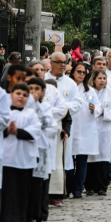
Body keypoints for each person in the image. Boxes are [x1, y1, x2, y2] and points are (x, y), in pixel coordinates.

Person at [1, 83, 41, 221]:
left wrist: (17, 131)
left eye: (25, 95)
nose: (21, 97)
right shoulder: (5, 112)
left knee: (23, 192)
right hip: (7, 159)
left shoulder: (31, 114)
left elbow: (36, 132)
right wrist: (6, 130)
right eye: (18, 93)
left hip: (25, 160)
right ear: (11, 94)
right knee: (7, 191)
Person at [45, 52, 80, 206]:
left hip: (60, 125)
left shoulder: (70, 83)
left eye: (64, 62)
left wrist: (63, 108)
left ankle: (56, 193)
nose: (62, 65)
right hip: (42, 125)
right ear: (50, 62)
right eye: (58, 62)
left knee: (58, 160)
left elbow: (77, 102)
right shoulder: (43, 79)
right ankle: (42, 193)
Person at [27, 77, 57, 222]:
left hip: (41, 150)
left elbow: (51, 128)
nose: (33, 92)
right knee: (28, 185)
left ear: (43, 92)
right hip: (25, 151)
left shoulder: (45, 107)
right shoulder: (22, 106)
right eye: (30, 89)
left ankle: (40, 214)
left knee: (40, 184)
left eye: (37, 89)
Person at [87, 70, 111, 196]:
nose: (102, 80)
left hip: (106, 129)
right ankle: (89, 186)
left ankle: (102, 186)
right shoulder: (89, 92)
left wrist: (101, 111)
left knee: (104, 157)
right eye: (99, 78)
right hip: (92, 128)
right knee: (91, 157)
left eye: (104, 78)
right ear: (94, 79)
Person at [69, 63, 100, 198]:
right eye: (78, 72)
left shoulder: (90, 91)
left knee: (82, 160)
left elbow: (98, 106)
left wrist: (95, 109)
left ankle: (78, 189)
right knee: (68, 160)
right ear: (73, 72)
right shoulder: (68, 87)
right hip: (70, 128)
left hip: (85, 128)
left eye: (83, 72)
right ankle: (68, 187)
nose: (81, 74)